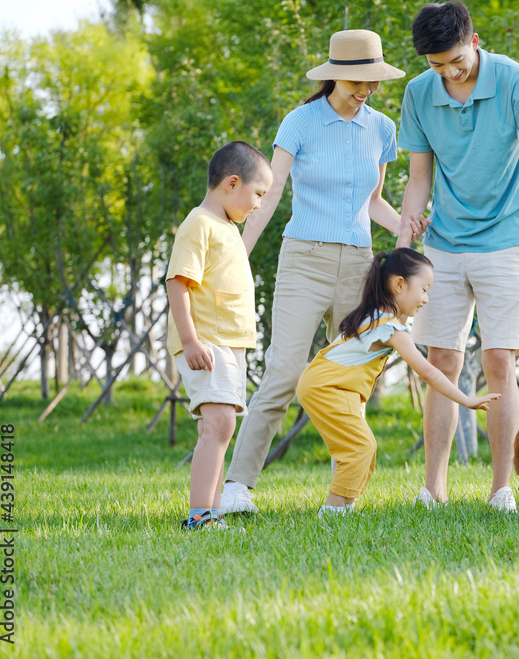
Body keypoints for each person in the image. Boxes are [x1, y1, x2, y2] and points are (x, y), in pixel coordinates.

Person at [220, 29, 423, 515]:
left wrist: (411, 235)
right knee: (284, 372)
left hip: (358, 265)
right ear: (335, 74)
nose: (367, 90)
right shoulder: (300, 122)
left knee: (348, 379)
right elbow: (266, 197)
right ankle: (238, 487)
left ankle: (342, 495)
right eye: (358, 81)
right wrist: (237, 257)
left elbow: (375, 204)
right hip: (303, 262)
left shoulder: (381, 128)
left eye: (373, 82)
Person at [395, 1, 519, 512]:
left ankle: (502, 488)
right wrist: (403, 251)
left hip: (507, 237)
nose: (448, 72)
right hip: (445, 244)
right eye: (437, 65)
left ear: (473, 42)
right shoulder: (418, 93)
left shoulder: (517, 82)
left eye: (455, 61)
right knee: (443, 362)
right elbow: (418, 179)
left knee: (499, 359)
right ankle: (434, 488)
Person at [297, 248, 499, 514]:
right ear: (400, 285)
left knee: (365, 449)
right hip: (327, 387)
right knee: (360, 447)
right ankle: (333, 510)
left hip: (330, 385)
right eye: (424, 289)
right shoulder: (389, 328)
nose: (426, 298)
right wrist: (466, 400)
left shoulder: (377, 316)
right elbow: (428, 372)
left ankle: (346, 506)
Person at [166, 141, 274, 530]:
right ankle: (200, 515)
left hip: (228, 344)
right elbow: (178, 284)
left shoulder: (226, 226)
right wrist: (191, 340)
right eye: (258, 194)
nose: (259, 204)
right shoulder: (200, 224)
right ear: (232, 183)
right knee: (218, 425)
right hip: (207, 341)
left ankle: (211, 510)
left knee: (221, 426)